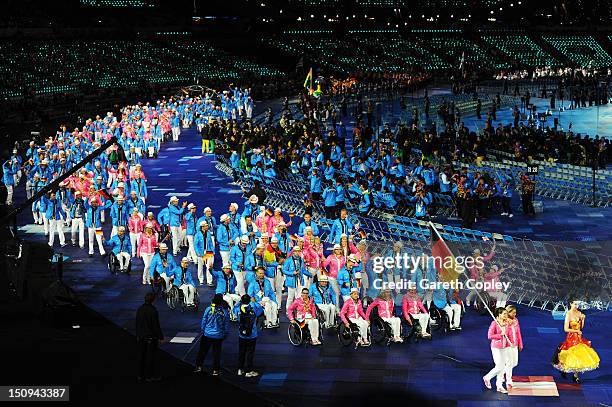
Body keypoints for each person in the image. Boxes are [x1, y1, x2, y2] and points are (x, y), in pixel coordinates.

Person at [552, 299, 600, 383]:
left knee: (579, 355)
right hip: (571, 337)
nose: (576, 306)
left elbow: (581, 327)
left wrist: (583, 319)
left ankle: (575, 376)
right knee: (570, 355)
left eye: (577, 304)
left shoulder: (579, 313)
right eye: (575, 304)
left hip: (579, 337)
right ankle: (564, 370)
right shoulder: (568, 314)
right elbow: (566, 329)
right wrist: (576, 331)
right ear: (570, 304)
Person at [194, 294, 230, 376]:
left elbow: (204, 320)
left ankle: (198, 366)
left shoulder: (208, 309)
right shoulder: (224, 312)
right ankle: (215, 370)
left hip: (207, 334)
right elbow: (226, 324)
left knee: (202, 351)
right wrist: (225, 334)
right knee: (216, 353)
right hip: (218, 336)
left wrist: (203, 330)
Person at [136, 292, 164, 382]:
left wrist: (138, 334)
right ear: (153, 300)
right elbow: (155, 325)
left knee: (141, 356)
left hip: (141, 336)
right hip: (150, 337)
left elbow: (137, 323)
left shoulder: (140, 309)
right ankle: (149, 376)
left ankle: (140, 375)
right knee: (150, 357)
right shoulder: (153, 311)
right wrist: (160, 337)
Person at [483, 307, 511, 394]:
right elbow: (489, 336)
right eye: (504, 314)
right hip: (496, 347)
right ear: (499, 315)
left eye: (507, 314)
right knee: (499, 366)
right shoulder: (494, 323)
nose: (506, 315)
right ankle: (487, 377)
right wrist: (500, 335)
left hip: (505, 346)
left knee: (503, 367)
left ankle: (499, 386)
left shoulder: (507, 323)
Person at [234, 294, 263, 377]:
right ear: (249, 300)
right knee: (250, 353)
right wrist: (255, 302)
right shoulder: (253, 308)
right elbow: (260, 310)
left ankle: (240, 369)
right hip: (252, 335)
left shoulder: (238, 309)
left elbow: (233, 309)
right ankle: (248, 371)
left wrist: (239, 303)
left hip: (241, 335)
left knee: (241, 352)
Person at [504, 304, 523, 389]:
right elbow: (504, 334)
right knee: (509, 363)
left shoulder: (516, 321)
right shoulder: (504, 322)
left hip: (514, 345)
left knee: (515, 363)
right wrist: (508, 324)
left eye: (515, 313)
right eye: (513, 313)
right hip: (508, 345)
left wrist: (520, 343)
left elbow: (518, 332)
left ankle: (500, 372)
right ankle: (508, 380)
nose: (515, 314)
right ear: (508, 313)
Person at [194, 221, 215, 286]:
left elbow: (211, 243)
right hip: (201, 252)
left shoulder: (208, 233)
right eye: (206, 225)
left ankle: (209, 281)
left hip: (208, 251)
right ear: (202, 227)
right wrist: (197, 252)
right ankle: (201, 279)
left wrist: (213, 251)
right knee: (200, 266)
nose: (207, 226)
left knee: (209, 266)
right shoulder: (197, 234)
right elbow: (195, 244)